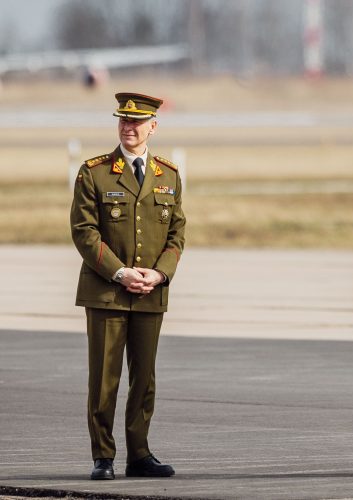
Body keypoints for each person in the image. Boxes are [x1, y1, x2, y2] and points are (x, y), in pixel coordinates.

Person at [70, 92, 186, 480]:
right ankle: (103, 456)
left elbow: (177, 233)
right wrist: (120, 272)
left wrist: (160, 273)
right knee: (104, 378)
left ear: (153, 126)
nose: (128, 127)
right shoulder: (95, 171)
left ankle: (140, 455)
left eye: (137, 122)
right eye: (123, 120)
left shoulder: (167, 175)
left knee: (144, 379)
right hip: (107, 293)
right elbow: (84, 232)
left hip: (150, 293)